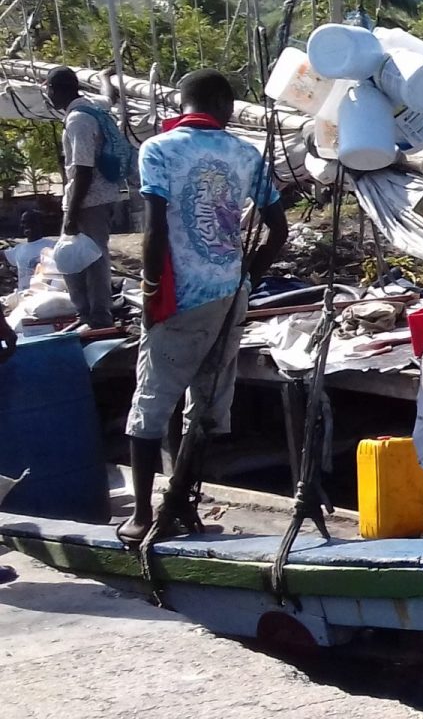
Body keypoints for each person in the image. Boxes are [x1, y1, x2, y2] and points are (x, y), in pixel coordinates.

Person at [120, 70, 286, 544]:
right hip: (229, 295)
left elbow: (154, 233)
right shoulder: (246, 153)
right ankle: (180, 503)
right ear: (220, 104)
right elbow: (279, 229)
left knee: (151, 404)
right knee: (206, 406)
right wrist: (246, 275)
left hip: (180, 297)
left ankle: (141, 516)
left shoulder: (158, 149)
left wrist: (152, 292)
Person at [45, 67, 134, 327]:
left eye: (49, 90)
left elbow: (82, 169)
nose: (49, 96)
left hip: (87, 201)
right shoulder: (94, 107)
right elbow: (111, 97)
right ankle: (91, 313)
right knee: (86, 256)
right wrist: (106, 78)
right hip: (104, 196)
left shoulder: (77, 121)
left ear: (55, 89)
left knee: (88, 261)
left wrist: (72, 213)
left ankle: (96, 317)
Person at [5, 208, 57, 293]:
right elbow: (3, 255)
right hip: (23, 295)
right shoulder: (19, 249)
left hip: (43, 295)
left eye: (31, 222)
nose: (25, 225)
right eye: (23, 222)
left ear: (40, 224)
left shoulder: (52, 246)